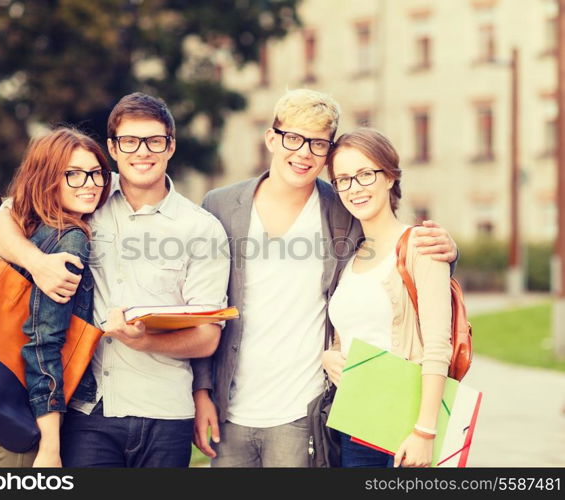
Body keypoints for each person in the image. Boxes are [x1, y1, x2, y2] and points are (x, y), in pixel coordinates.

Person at [191, 88, 458, 467]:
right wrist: (202, 391)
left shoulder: (341, 207)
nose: (303, 153)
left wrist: (448, 250)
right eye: (294, 138)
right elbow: (203, 304)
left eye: (317, 144)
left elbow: (402, 248)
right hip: (232, 409)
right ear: (272, 138)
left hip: (305, 414)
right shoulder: (220, 206)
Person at [0, 92, 230, 467]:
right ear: (113, 147)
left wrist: (144, 340)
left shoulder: (202, 229)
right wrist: (38, 263)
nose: (142, 152)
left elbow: (207, 338)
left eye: (154, 141)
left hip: (165, 413)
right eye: (129, 141)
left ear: (170, 146)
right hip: (88, 412)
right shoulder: (85, 192)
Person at [0, 127, 111, 467]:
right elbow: (42, 344)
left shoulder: (28, 227)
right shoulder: (69, 239)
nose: (90, 183)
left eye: (95, 173)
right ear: (48, 178)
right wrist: (50, 447)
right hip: (30, 423)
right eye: (74, 174)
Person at [322, 127, 452, 468]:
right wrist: (331, 357)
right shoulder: (349, 257)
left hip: (402, 426)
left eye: (365, 174)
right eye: (344, 179)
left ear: (390, 177)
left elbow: (438, 346)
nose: (355, 188)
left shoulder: (421, 246)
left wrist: (425, 432)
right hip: (354, 422)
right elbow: (355, 331)